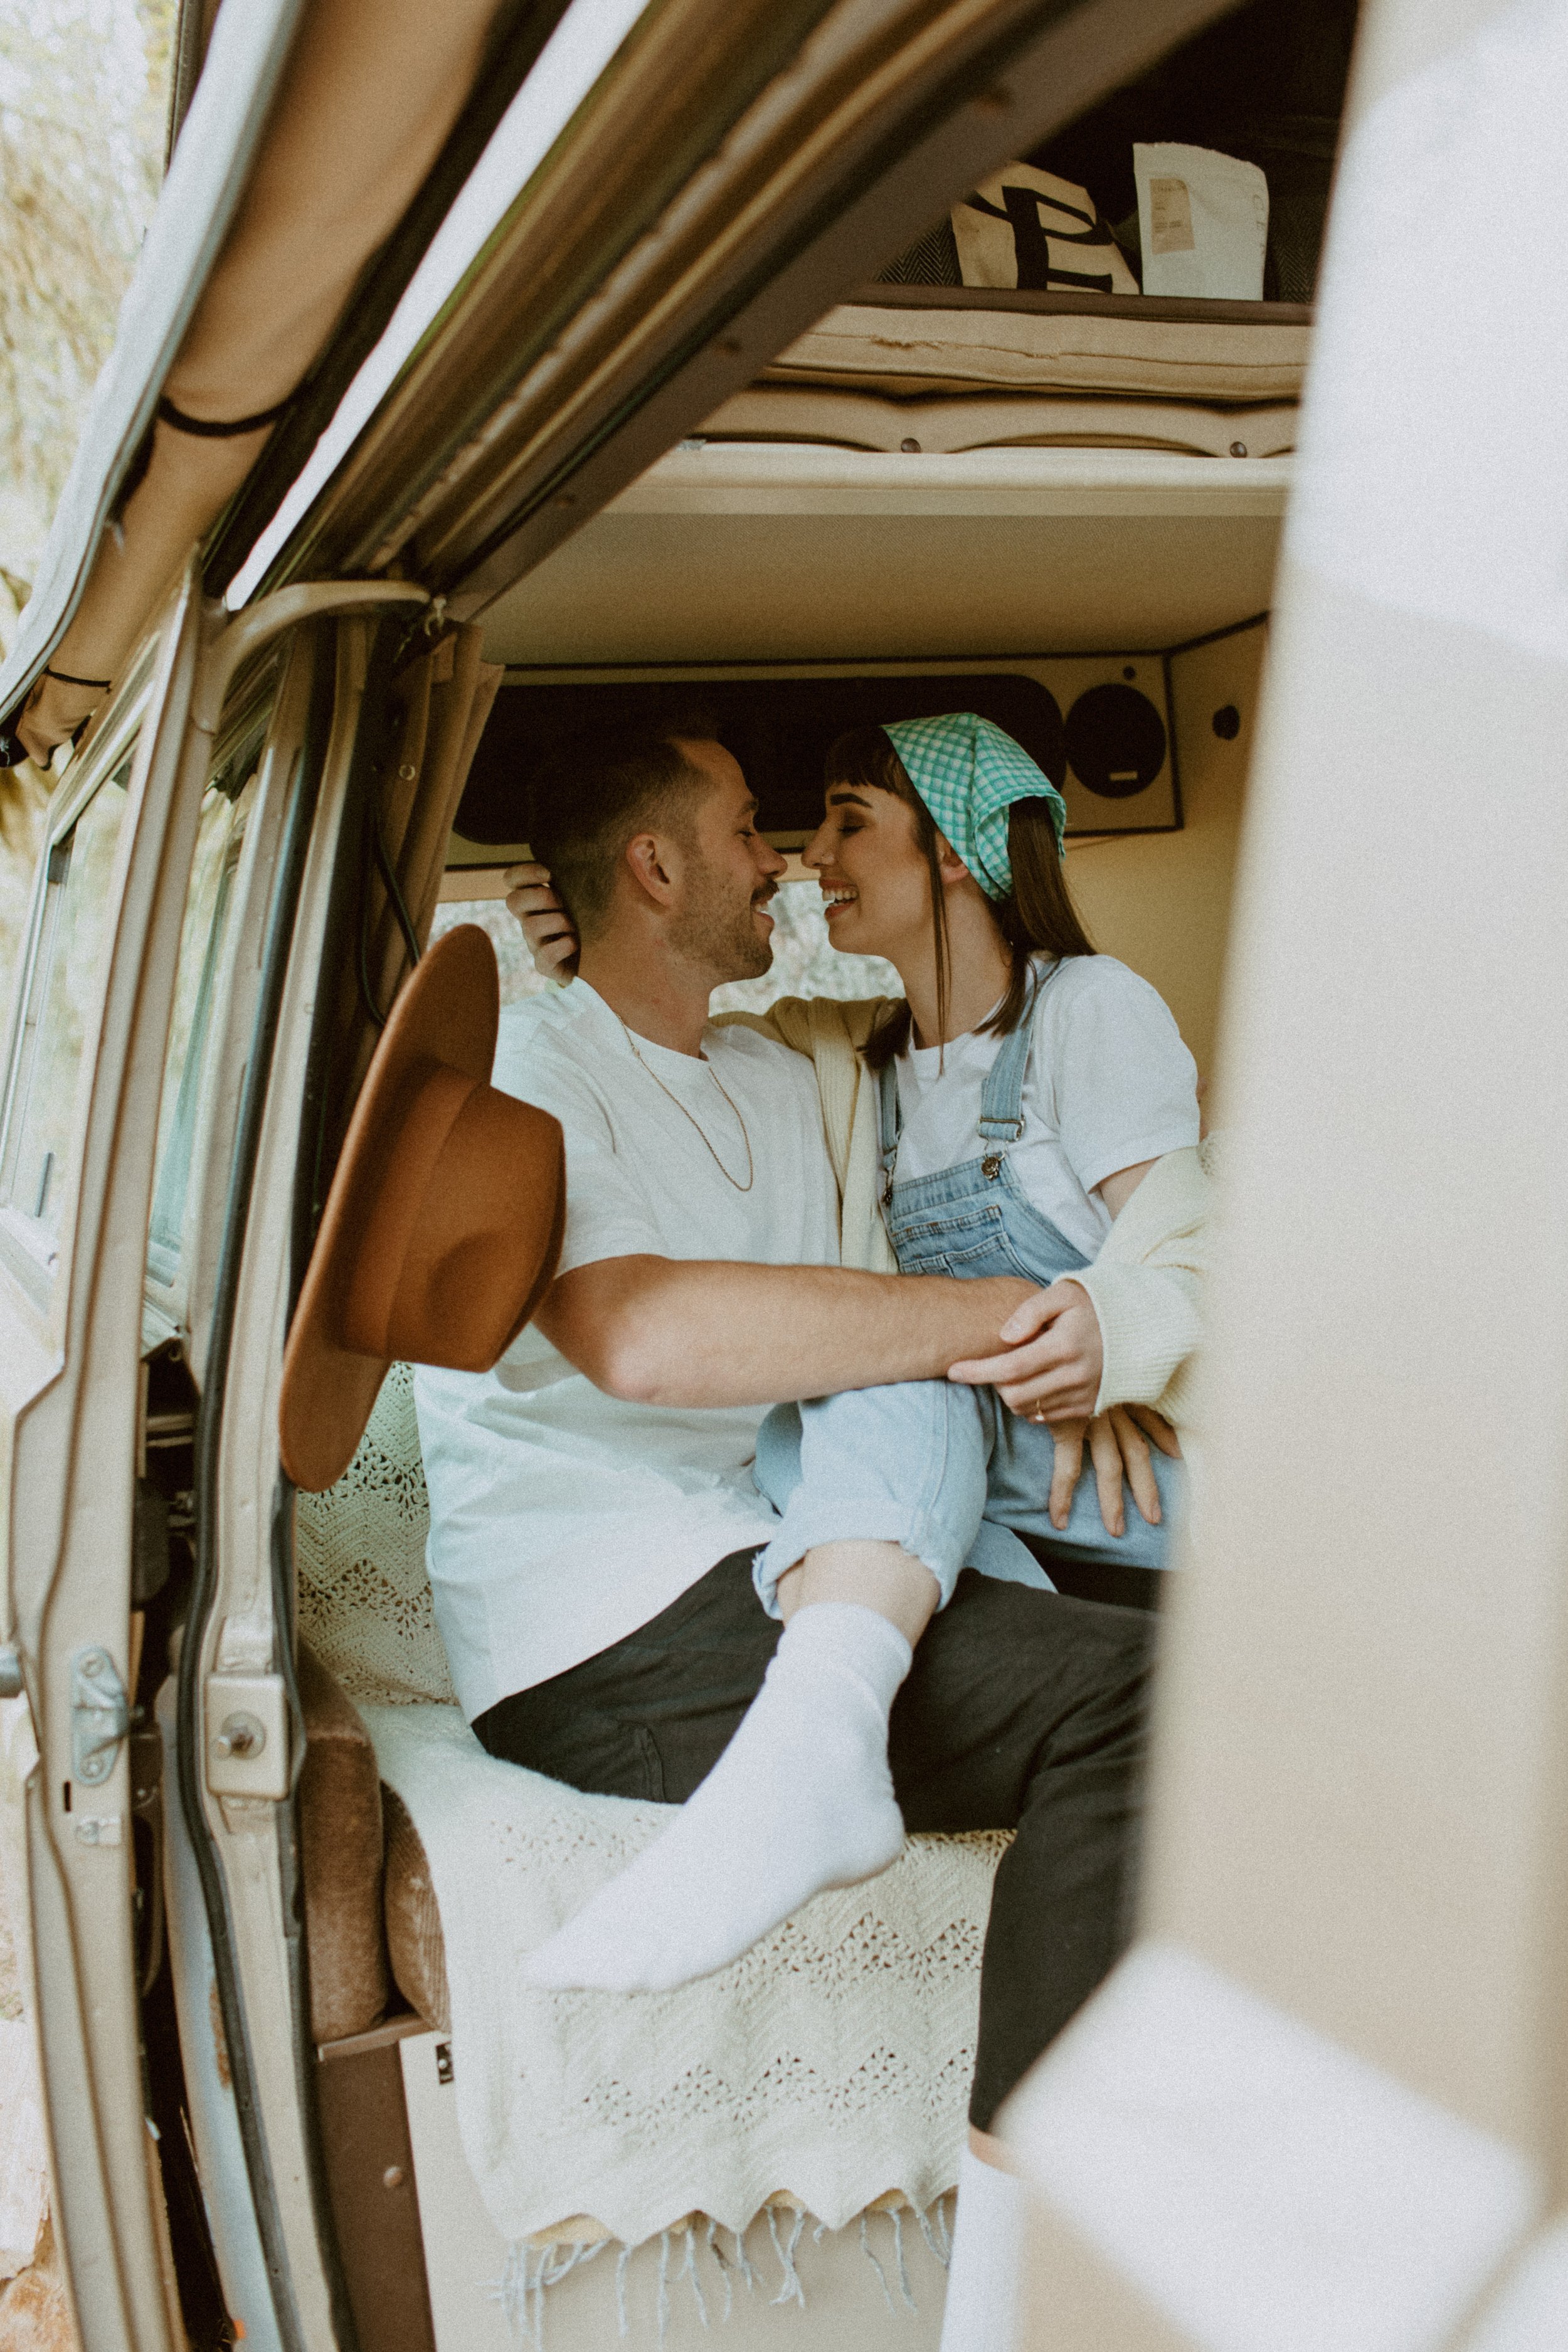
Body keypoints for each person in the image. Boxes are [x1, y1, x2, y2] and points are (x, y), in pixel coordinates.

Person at [413, 717, 1157, 2352]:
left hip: (797, 1559)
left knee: (904, 1358)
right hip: (616, 1625)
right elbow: (636, 1338)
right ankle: (1012, 2286)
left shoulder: (783, 1061)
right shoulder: (535, 1069)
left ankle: (824, 1723)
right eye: (755, 829)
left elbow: (941, 1024)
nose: (786, 868)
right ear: (657, 864)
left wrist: (1056, 1322)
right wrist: (1006, 1315)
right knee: (1153, 1703)